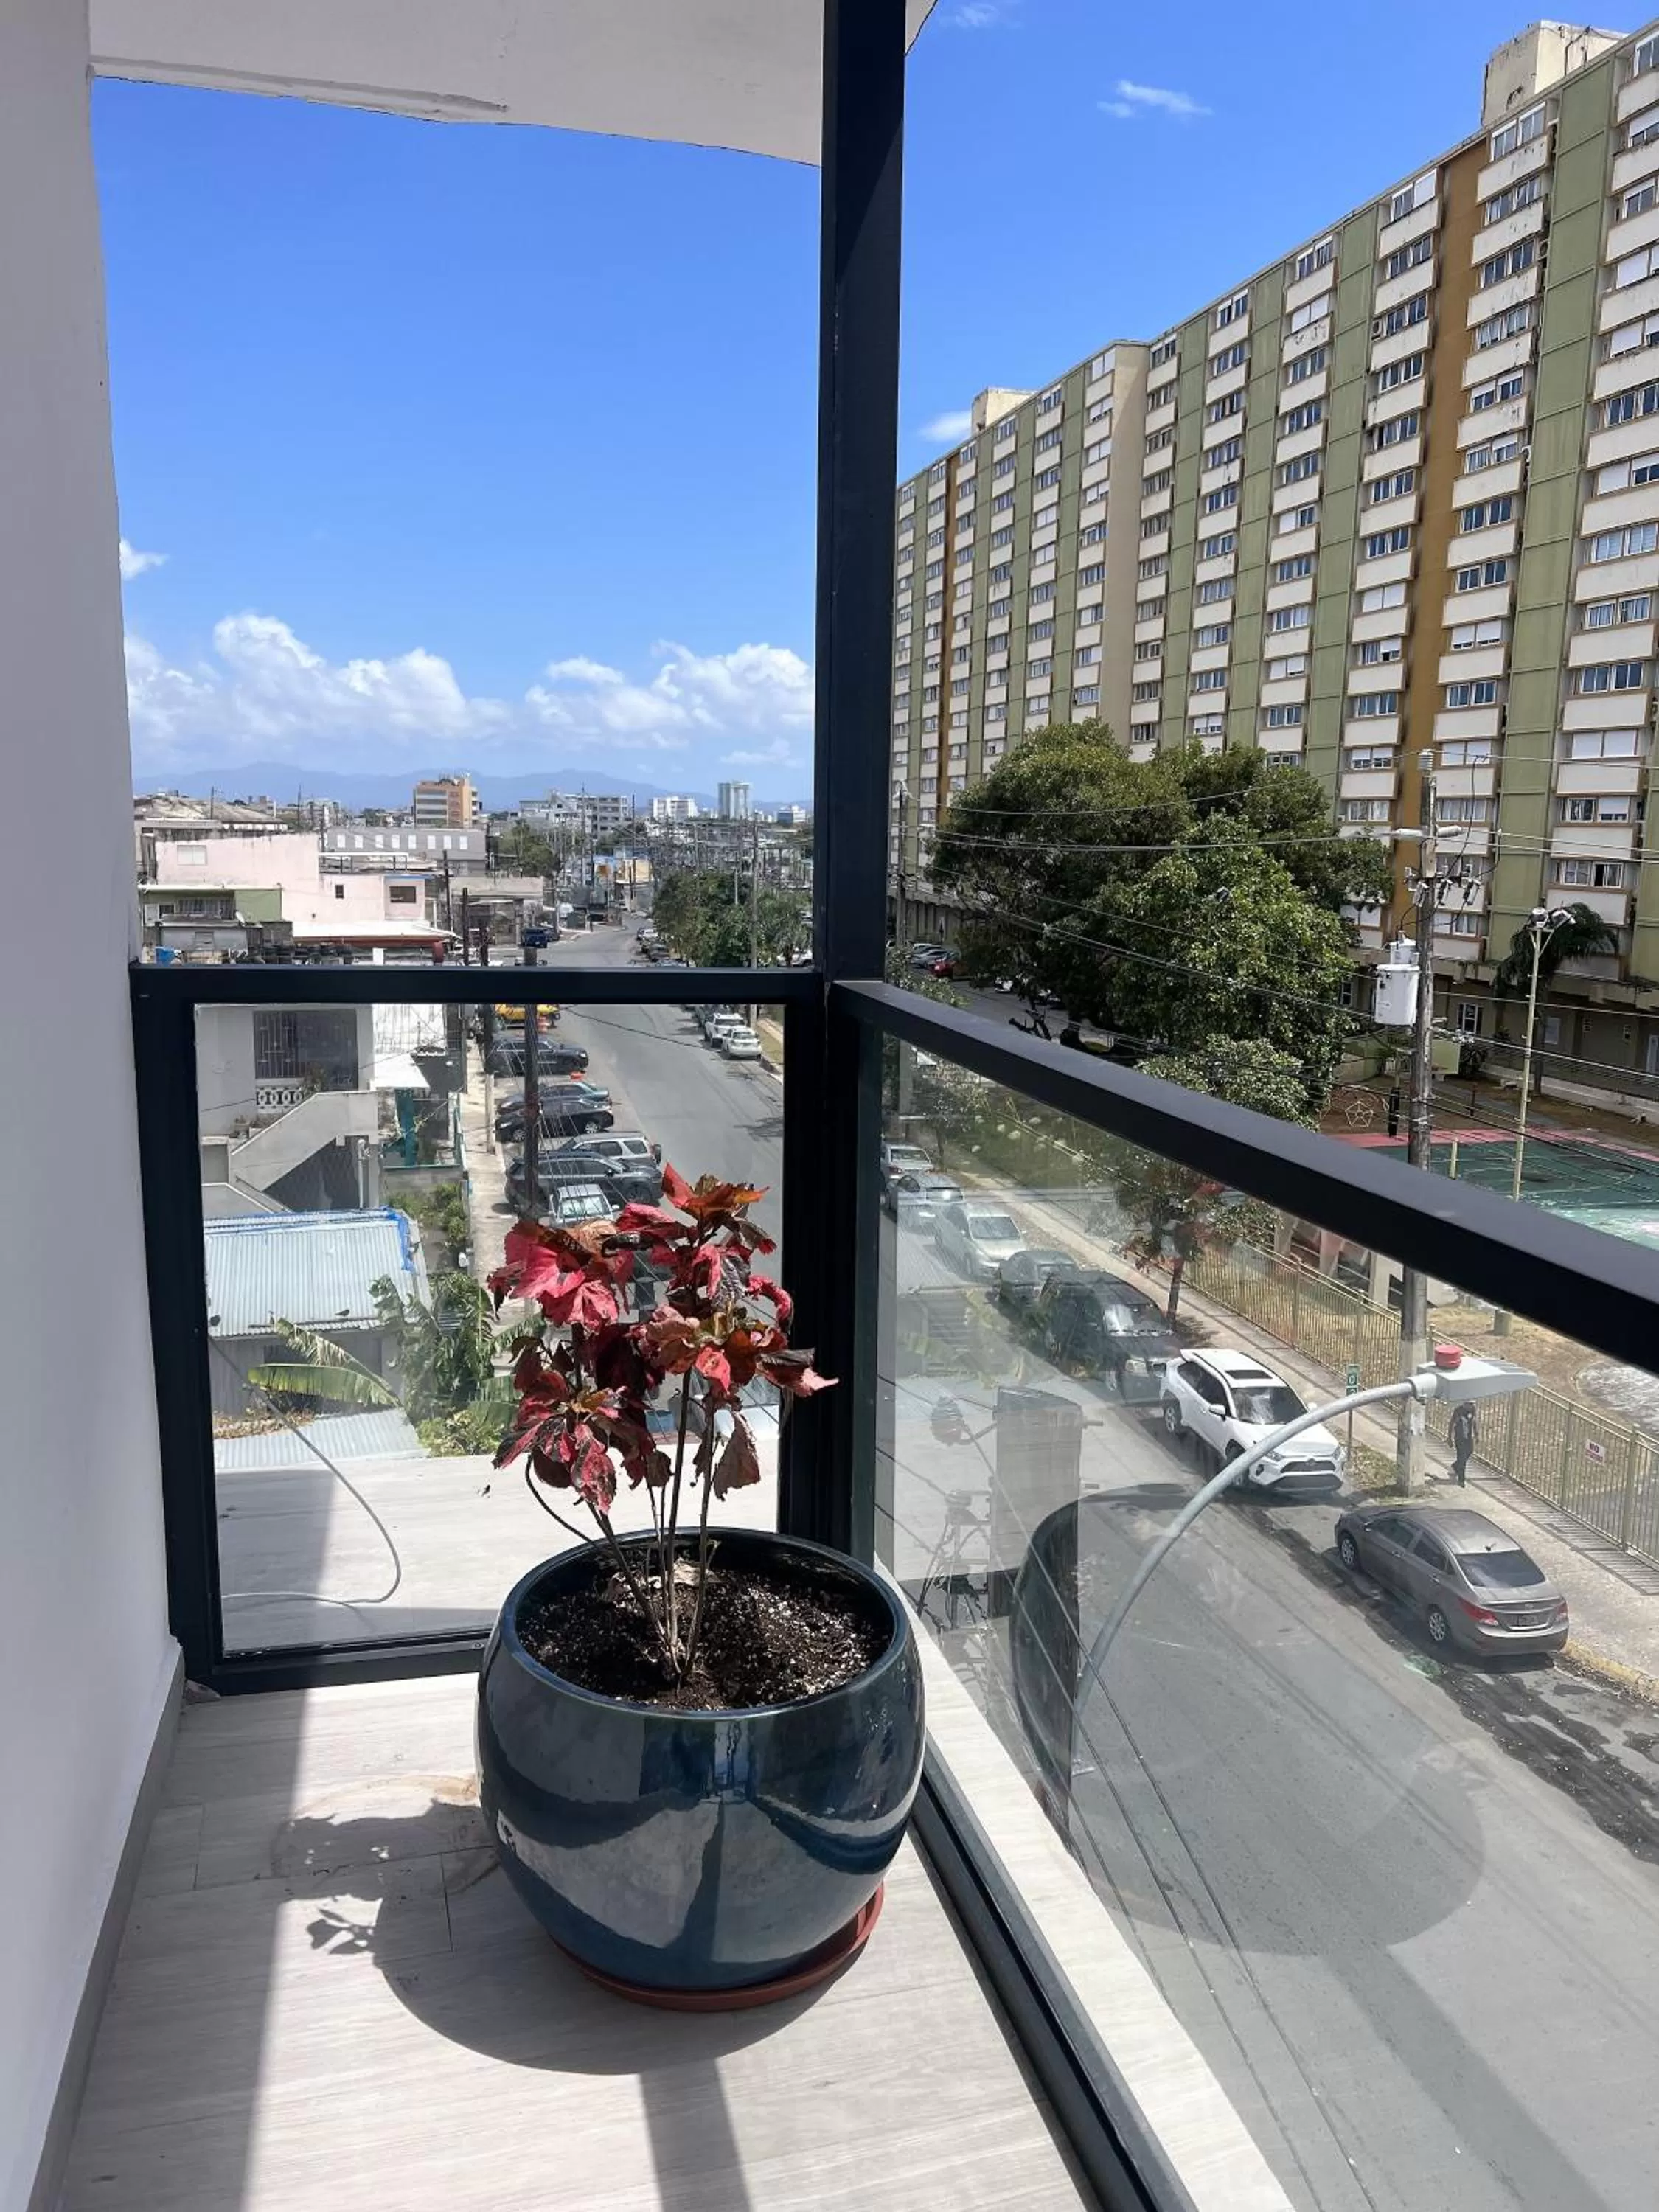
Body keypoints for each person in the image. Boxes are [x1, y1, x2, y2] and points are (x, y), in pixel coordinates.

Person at [1449, 1398, 1477, 1486]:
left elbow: (1474, 1422)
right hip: (1459, 1438)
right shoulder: (1458, 1411)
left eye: (1472, 1404)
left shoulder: (1473, 1410)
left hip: (1468, 1437)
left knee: (1469, 1452)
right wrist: (1449, 1437)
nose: (1471, 1406)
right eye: (1469, 1404)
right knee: (1462, 1458)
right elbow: (1451, 1424)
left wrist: (1477, 1434)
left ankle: (1456, 1466)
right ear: (1464, 1404)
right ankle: (1461, 1479)